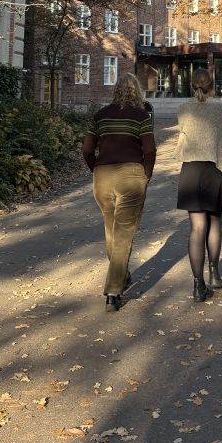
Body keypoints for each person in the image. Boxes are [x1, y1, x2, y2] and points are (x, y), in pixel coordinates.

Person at [82, 73, 156, 313]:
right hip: (131, 176)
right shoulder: (141, 116)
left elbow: (87, 149)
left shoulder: (100, 115)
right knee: (123, 234)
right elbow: (149, 150)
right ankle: (113, 292)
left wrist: (95, 168)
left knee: (111, 229)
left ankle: (121, 274)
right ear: (137, 91)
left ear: (116, 90)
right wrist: (147, 173)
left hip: (103, 176)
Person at [176, 68, 222, 302]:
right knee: (215, 221)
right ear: (212, 85)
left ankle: (198, 285)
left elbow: (184, 132)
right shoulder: (220, 108)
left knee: (197, 228)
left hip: (191, 171)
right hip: (215, 168)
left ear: (192, 85)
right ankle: (215, 274)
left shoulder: (184, 108)